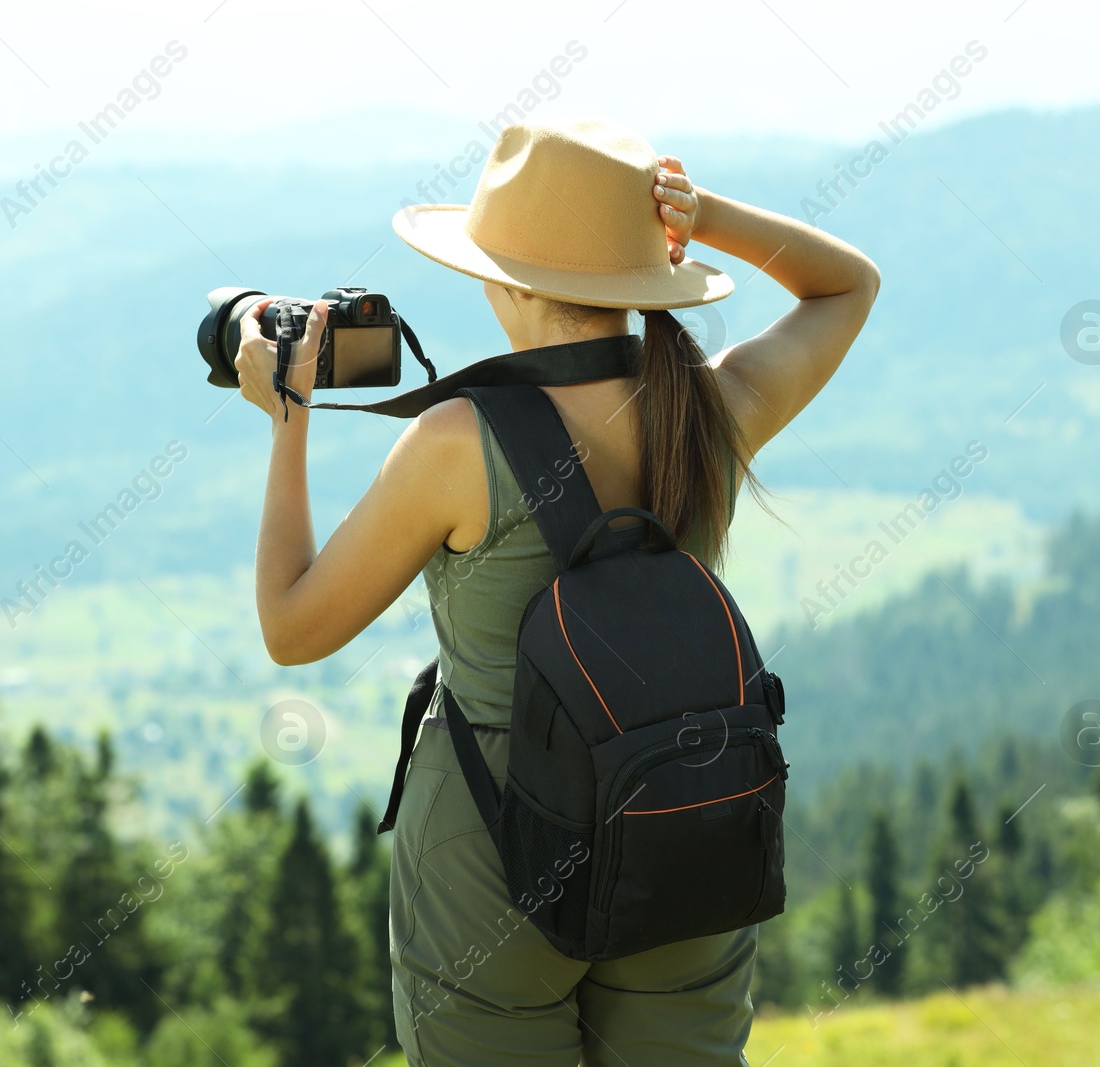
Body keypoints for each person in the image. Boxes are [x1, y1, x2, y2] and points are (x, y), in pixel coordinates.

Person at [235, 118, 879, 1065]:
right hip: (679, 819)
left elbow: (292, 627)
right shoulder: (712, 408)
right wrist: (701, 219)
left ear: (503, 280)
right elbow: (847, 284)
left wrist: (287, 419)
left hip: (492, 849)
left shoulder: (455, 442)